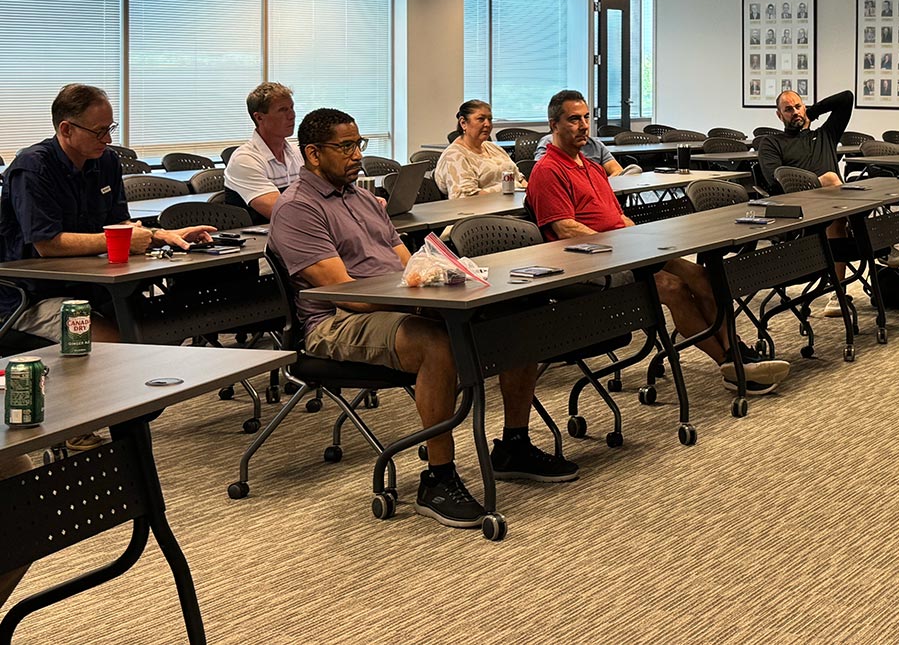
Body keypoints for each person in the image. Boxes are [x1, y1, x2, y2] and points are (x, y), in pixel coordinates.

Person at [270, 107, 573, 529]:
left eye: (360, 144)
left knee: (513, 317)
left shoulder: (361, 198)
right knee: (437, 344)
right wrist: (420, 301)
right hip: (335, 322)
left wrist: (447, 280)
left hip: (395, 302)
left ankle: (514, 446)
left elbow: (409, 263)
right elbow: (346, 293)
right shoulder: (297, 209)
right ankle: (438, 478)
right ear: (314, 154)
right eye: (346, 147)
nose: (357, 154)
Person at [527, 91, 790, 393]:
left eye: (586, 118)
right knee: (672, 288)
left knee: (703, 276)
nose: (584, 125)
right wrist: (625, 242)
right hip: (594, 260)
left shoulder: (591, 166)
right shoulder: (547, 171)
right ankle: (732, 367)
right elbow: (566, 230)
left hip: (626, 247)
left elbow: (617, 216)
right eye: (574, 119)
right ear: (553, 125)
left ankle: (736, 352)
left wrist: (637, 235)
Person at [0, 84, 215, 342]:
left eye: (110, 129)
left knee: (167, 328)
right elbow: (47, 244)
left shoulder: (106, 161)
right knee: (119, 346)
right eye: (99, 131)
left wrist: (161, 235)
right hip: (34, 296)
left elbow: (118, 223)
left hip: (95, 283)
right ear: (66, 129)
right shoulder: (33, 168)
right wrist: (122, 239)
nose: (108, 139)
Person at [757, 89, 857, 318]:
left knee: (838, 213)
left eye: (798, 107)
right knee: (833, 180)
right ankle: (872, 238)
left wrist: (811, 111)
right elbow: (775, 180)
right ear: (779, 115)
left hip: (834, 208)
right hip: (797, 209)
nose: (795, 112)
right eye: (788, 110)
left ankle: (837, 293)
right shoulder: (771, 143)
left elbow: (846, 98)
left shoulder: (826, 135)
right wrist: (818, 182)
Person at [224, 81, 300, 221]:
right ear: (259, 117)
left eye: (292, 108)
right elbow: (282, 214)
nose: (292, 115)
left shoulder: (298, 153)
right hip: (259, 240)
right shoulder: (245, 160)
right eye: (283, 110)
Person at [434, 100, 525, 197]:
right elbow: (464, 198)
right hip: (484, 211)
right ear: (463, 123)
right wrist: (509, 187)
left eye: (490, 119)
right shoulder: (454, 156)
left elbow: (519, 179)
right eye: (481, 119)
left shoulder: (493, 147)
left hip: (515, 205)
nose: (487, 124)